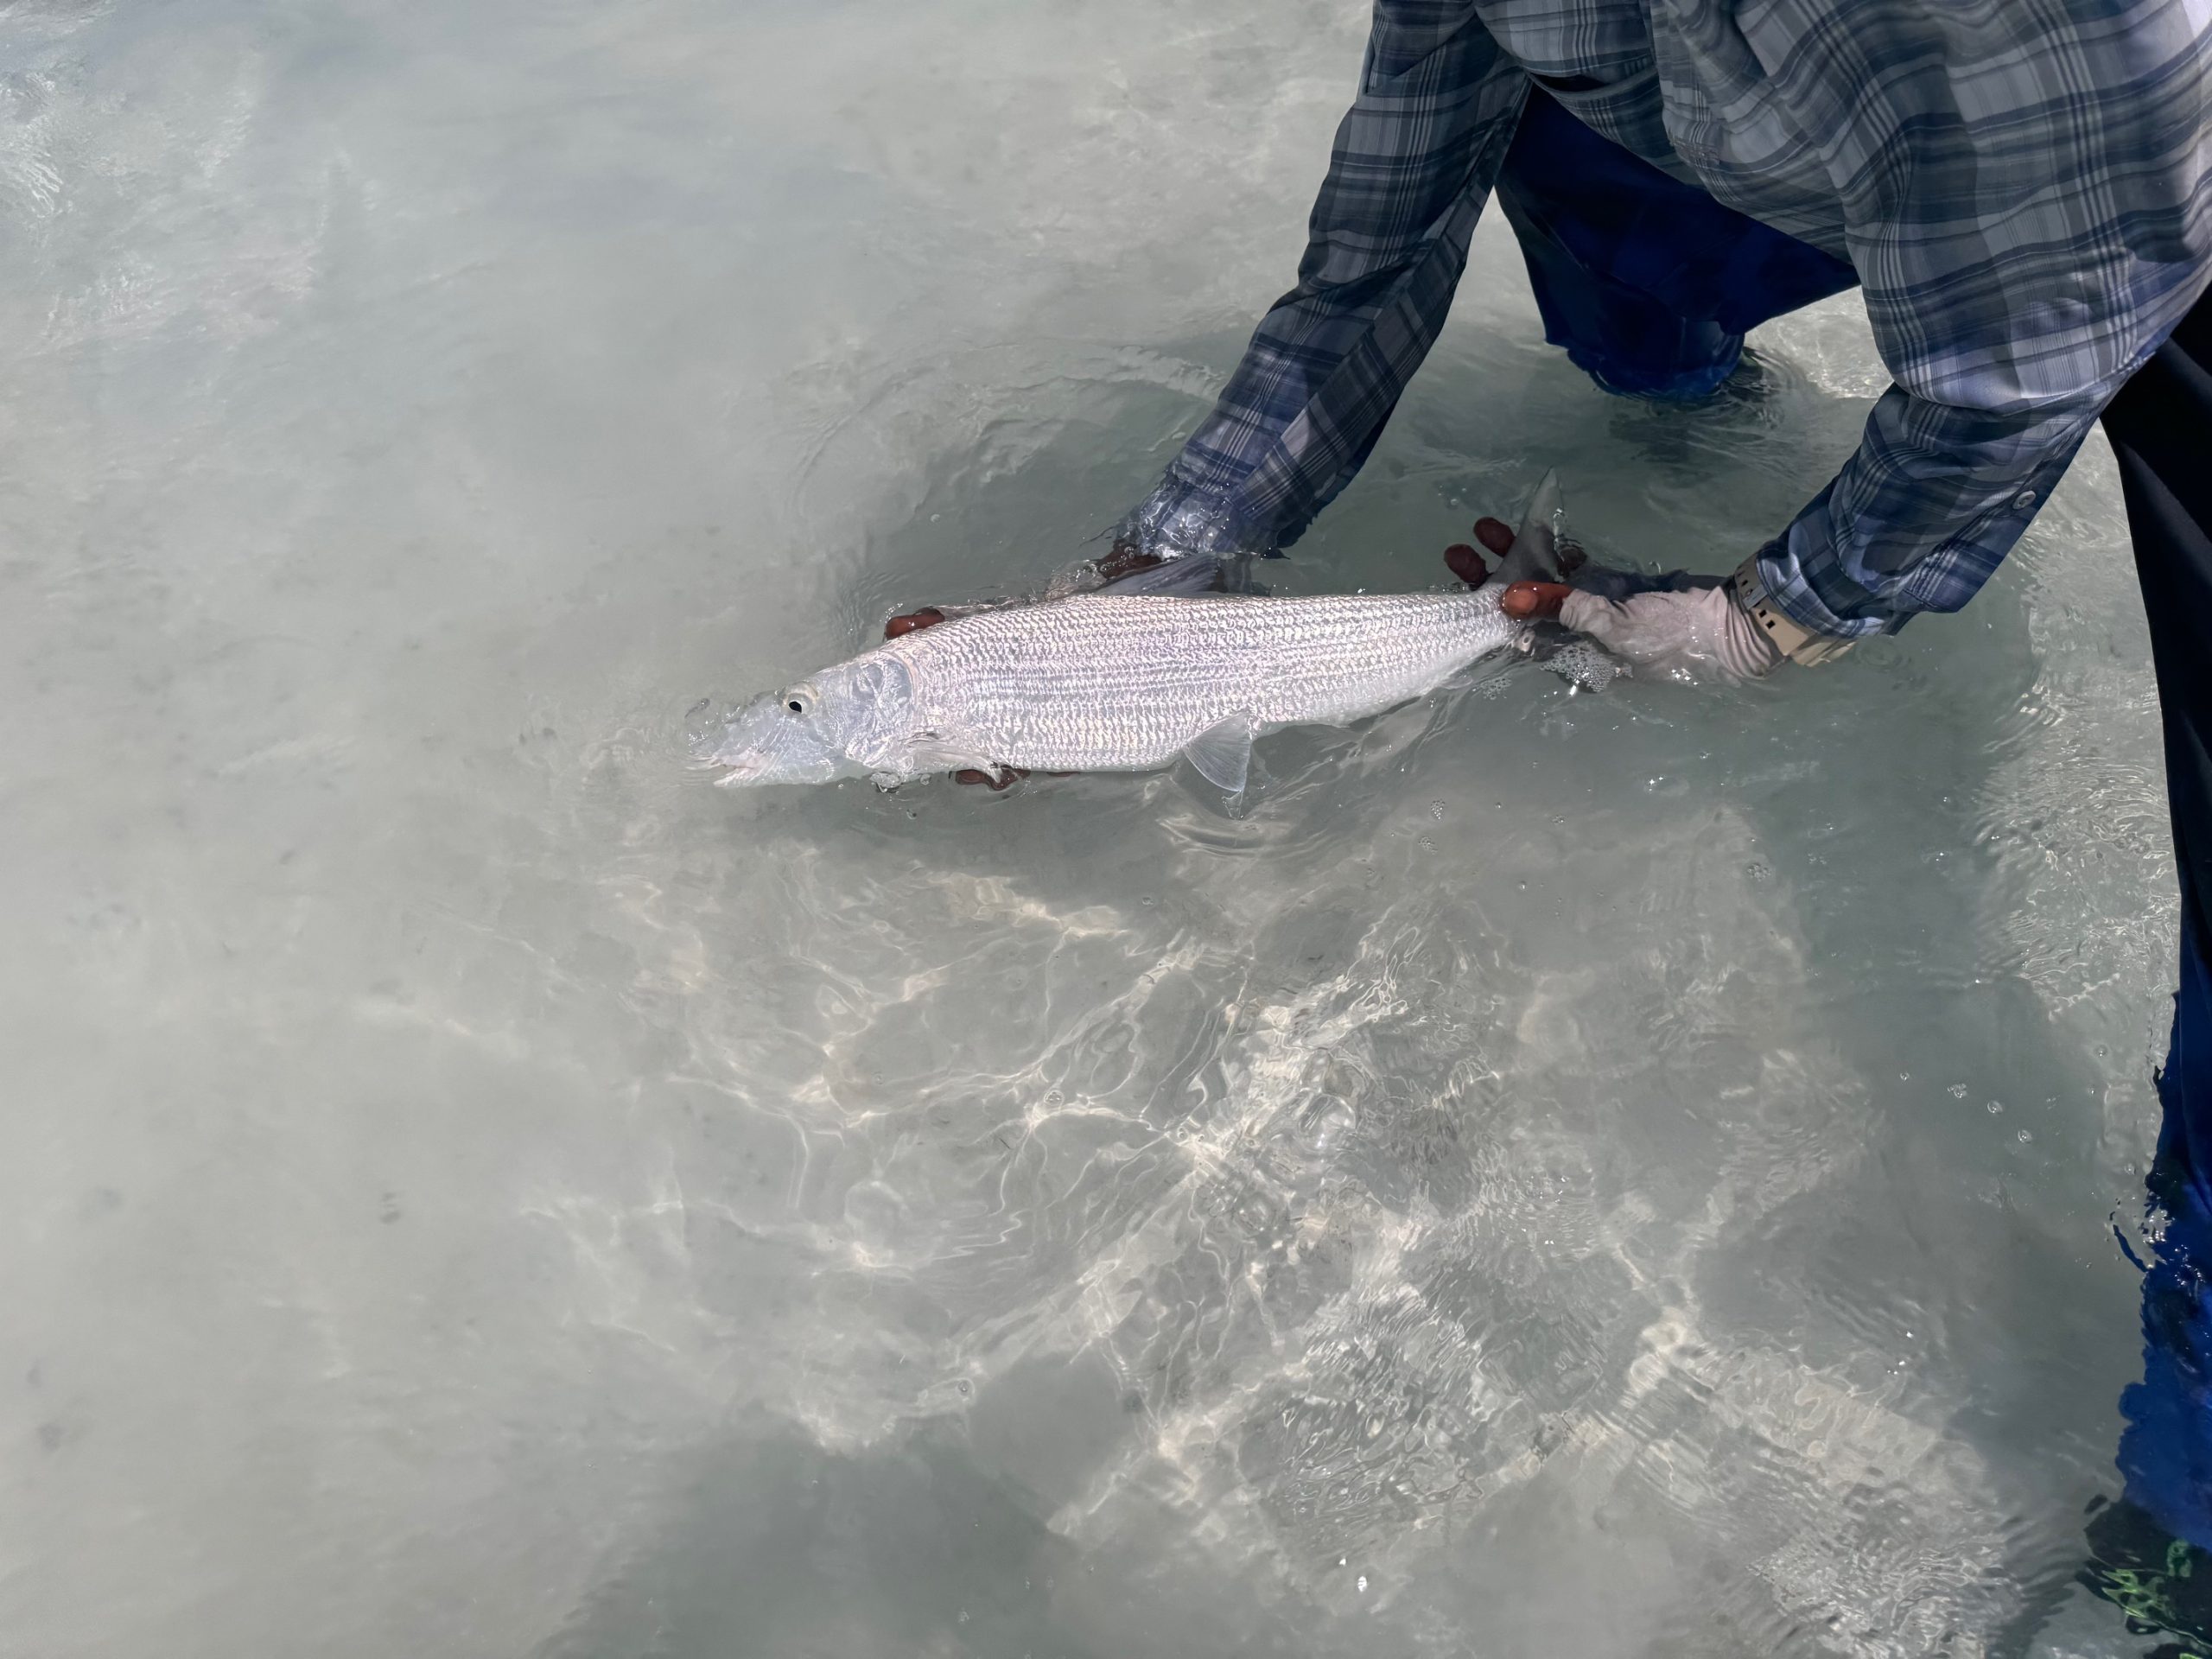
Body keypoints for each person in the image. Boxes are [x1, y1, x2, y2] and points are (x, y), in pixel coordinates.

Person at [1103, 0, 2212, 1643]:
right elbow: (1377, 237)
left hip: (2162, 186)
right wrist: (1166, 569)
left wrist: (1764, 619)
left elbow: (2018, 370)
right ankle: (1686, 406)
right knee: (1564, 148)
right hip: (1853, 114)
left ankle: (2184, 1535)